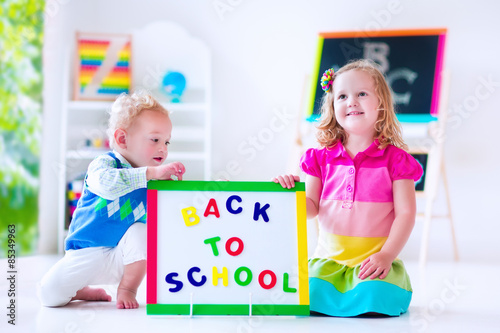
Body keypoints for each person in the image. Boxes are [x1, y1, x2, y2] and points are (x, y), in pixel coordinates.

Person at [273, 59, 423, 317]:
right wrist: (289, 193)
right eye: (342, 96)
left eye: (361, 94)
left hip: (374, 263)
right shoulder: (319, 158)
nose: (351, 101)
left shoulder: (396, 160)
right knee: (305, 293)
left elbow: (406, 214)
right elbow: (310, 208)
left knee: (375, 295)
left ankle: (373, 289)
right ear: (333, 106)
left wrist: (386, 255)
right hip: (329, 262)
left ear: (382, 105)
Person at [39, 91, 186, 309]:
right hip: (86, 252)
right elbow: (108, 185)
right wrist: (150, 174)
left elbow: (175, 210)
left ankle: (128, 288)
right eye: (155, 139)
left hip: (124, 258)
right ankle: (80, 290)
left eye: (166, 141)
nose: (163, 148)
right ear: (122, 139)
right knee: (49, 295)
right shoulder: (104, 164)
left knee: (141, 232)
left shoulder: (155, 179)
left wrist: (201, 189)